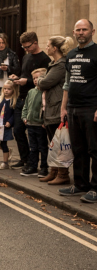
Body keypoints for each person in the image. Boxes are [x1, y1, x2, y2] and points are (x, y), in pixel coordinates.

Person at [59, 19, 97, 203]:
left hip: (91, 108)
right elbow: (67, 83)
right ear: (74, 33)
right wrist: (63, 107)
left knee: (94, 149)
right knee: (78, 149)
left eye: (84, 29)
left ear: (92, 31)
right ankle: (80, 184)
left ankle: (95, 188)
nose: (81, 32)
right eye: (78, 30)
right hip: (73, 108)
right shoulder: (71, 54)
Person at [9, 31, 51, 169]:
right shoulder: (26, 57)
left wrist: (25, 81)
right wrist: (17, 77)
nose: (26, 49)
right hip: (22, 98)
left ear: (35, 42)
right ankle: (25, 159)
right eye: (24, 47)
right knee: (18, 131)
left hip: (35, 100)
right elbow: (25, 74)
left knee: (37, 136)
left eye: (27, 46)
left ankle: (39, 164)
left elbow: (44, 81)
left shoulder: (44, 59)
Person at [37, 35, 74, 184]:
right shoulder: (54, 63)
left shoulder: (60, 65)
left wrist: (39, 80)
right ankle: (54, 172)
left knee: (59, 143)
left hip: (57, 108)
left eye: (47, 45)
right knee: (52, 143)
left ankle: (63, 175)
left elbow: (45, 82)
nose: (46, 48)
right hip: (51, 108)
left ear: (55, 48)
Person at [21, 68, 48, 177]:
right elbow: (26, 106)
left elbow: (46, 108)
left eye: (38, 77)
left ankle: (44, 167)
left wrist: (45, 121)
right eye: (34, 78)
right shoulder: (31, 92)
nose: (36, 80)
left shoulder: (45, 92)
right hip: (30, 124)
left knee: (42, 147)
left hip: (40, 125)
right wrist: (24, 117)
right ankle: (33, 166)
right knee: (33, 147)